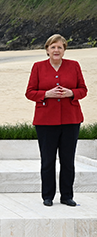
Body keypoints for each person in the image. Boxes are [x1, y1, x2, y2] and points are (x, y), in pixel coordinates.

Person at [25, 34, 87, 207]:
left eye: (59, 47)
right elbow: (29, 92)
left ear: (64, 49)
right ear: (47, 50)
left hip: (71, 120)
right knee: (47, 160)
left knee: (68, 160)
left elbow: (83, 89)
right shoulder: (38, 67)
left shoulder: (74, 66)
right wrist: (46, 94)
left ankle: (67, 196)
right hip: (45, 122)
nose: (56, 50)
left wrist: (71, 93)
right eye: (53, 47)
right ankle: (47, 196)